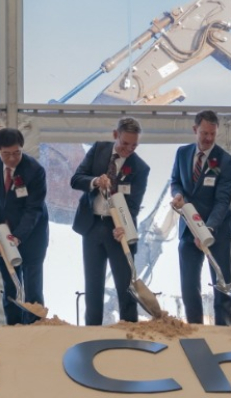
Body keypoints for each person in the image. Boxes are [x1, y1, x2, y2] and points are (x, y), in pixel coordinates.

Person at [70, 117, 150, 325]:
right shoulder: (98, 150)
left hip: (119, 232)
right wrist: (95, 181)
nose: (128, 149)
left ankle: (129, 335)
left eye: (134, 145)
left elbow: (133, 206)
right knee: (93, 288)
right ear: (116, 135)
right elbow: (76, 179)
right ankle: (92, 334)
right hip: (93, 227)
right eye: (125, 144)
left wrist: (123, 227)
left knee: (126, 289)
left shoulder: (141, 168)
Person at [170, 110, 231, 326]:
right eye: (204, 133)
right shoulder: (182, 153)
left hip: (217, 228)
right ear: (195, 130)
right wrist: (177, 194)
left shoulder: (226, 161)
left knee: (221, 282)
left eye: (212, 134)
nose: (208, 138)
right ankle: (196, 328)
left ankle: (224, 330)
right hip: (189, 228)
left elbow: (222, 201)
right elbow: (175, 181)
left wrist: (207, 230)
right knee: (189, 284)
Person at [0, 127, 49, 325]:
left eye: (16, 153)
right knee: (10, 286)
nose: (12, 159)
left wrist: (17, 237)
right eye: (6, 154)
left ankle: (35, 331)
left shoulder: (35, 171)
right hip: (3, 234)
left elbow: (33, 209)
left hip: (31, 236)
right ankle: (12, 330)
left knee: (32, 288)